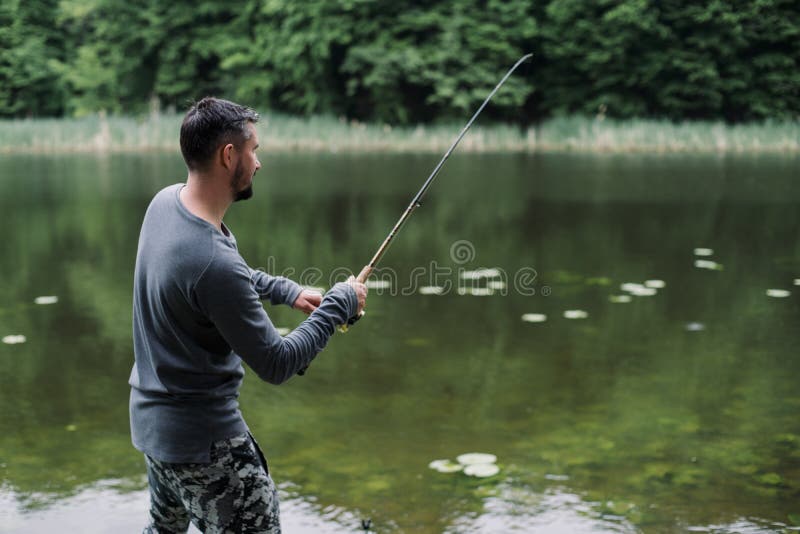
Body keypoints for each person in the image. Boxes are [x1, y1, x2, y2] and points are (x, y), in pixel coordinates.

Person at [128, 96, 367, 533]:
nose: (258, 162)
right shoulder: (211, 261)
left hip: (154, 430)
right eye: (254, 149)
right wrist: (338, 305)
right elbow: (276, 363)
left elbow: (215, 279)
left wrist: (287, 291)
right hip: (205, 446)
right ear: (228, 155)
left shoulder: (166, 204)